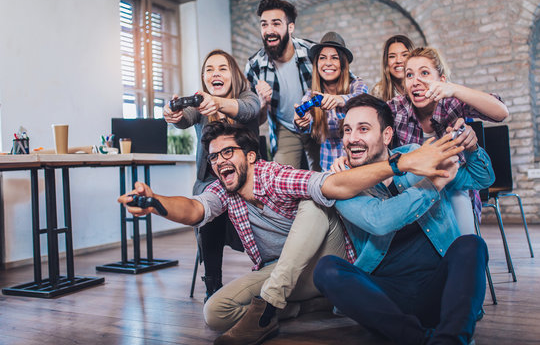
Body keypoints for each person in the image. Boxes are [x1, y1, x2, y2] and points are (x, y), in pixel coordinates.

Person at [119, 121, 463, 345]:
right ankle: (309, 306)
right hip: (282, 272)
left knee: (314, 203)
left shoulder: (274, 175)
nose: (220, 161)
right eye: (213, 157)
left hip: (327, 261)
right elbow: (195, 209)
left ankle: (269, 307)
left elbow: (331, 184)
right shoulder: (222, 190)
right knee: (214, 313)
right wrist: (156, 203)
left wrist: (399, 163)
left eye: (228, 152)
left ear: (251, 156)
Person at [314, 93, 495, 345]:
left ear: (386, 135)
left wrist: (472, 147)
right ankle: (420, 339)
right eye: (347, 130)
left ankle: (448, 340)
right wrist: (433, 186)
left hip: (440, 288)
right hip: (386, 297)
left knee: (472, 245)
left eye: (363, 129)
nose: (352, 138)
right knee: (326, 270)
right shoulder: (344, 182)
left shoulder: (417, 154)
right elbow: (379, 220)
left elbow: (481, 179)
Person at [163, 49, 260, 302]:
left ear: (234, 74)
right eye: (209, 69)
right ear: (204, 78)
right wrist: (174, 116)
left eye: (222, 68)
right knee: (208, 209)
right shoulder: (199, 102)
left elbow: (249, 110)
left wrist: (218, 103)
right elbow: (185, 119)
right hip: (210, 182)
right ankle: (213, 286)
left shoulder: (247, 96)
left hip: (247, 183)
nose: (215, 73)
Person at [389, 46, 508, 233]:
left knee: (458, 196)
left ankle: (464, 252)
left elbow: (501, 112)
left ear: (441, 81)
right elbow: (370, 119)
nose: (416, 81)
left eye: (425, 73)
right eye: (409, 75)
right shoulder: (398, 107)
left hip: (455, 185)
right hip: (416, 189)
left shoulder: (451, 101)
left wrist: (453, 89)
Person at [245, 0, 320, 171]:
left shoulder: (312, 52)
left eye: (276, 24)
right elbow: (258, 119)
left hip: (317, 123)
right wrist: (262, 104)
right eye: (264, 25)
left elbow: (344, 83)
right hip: (285, 128)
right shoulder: (254, 66)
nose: (269, 30)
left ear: (290, 27)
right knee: (280, 180)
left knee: (324, 179)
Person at [294, 31, 368, 171]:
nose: (328, 63)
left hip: (358, 167)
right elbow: (304, 124)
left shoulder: (356, 84)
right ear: (317, 63)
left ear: (343, 63)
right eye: (322, 58)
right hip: (328, 169)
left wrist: (338, 99)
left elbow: (363, 98)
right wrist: (301, 121)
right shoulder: (312, 95)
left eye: (334, 58)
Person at [372, 35, 415, 101]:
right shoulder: (378, 92)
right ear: (386, 61)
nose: (398, 61)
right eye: (392, 56)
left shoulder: (424, 85)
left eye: (404, 55)